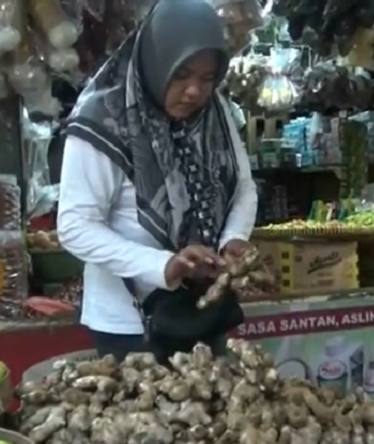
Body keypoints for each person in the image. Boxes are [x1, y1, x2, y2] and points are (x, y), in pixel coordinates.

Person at [57, 0, 258, 363]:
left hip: (200, 312)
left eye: (207, 77)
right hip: (129, 326)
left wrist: (232, 240)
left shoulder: (216, 113)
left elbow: (242, 185)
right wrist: (161, 265)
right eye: (181, 74)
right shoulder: (104, 119)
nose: (195, 91)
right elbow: (74, 226)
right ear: (155, 59)